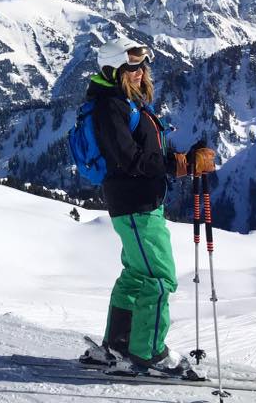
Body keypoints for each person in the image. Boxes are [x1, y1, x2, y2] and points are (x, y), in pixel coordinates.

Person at [80, 36, 216, 375]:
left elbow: (148, 152)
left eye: (142, 64)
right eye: (132, 65)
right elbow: (129, 159)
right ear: (114, 67)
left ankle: (119, 344)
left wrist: (182, 159)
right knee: (159, 276)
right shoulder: (111, 105)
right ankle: (149, 353)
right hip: (134, 202)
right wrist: (178, 166)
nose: (140, 70)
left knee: (138, 275)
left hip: (141, 202)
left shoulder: (129, 102)